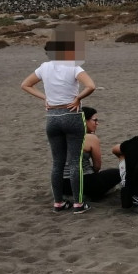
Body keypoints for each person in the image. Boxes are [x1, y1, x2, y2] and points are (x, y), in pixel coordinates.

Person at [20, 22, 95, 214]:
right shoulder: (74, 67)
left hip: (52, 116)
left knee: (57, 162)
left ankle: (58, 202)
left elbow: (25, 85)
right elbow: (91, 86)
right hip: (71, 115)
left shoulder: (44, 68)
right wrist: (78, 98)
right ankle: (78, 203)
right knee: (75, 161)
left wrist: (45, 98)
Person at [60, 107, 121, 200]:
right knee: (118, 172)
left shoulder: (62, 135)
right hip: (83, 182)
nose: (97, 123)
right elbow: (97, 166)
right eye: (94, 120)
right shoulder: (90, 138)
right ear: (84, 120)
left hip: (62, 184)